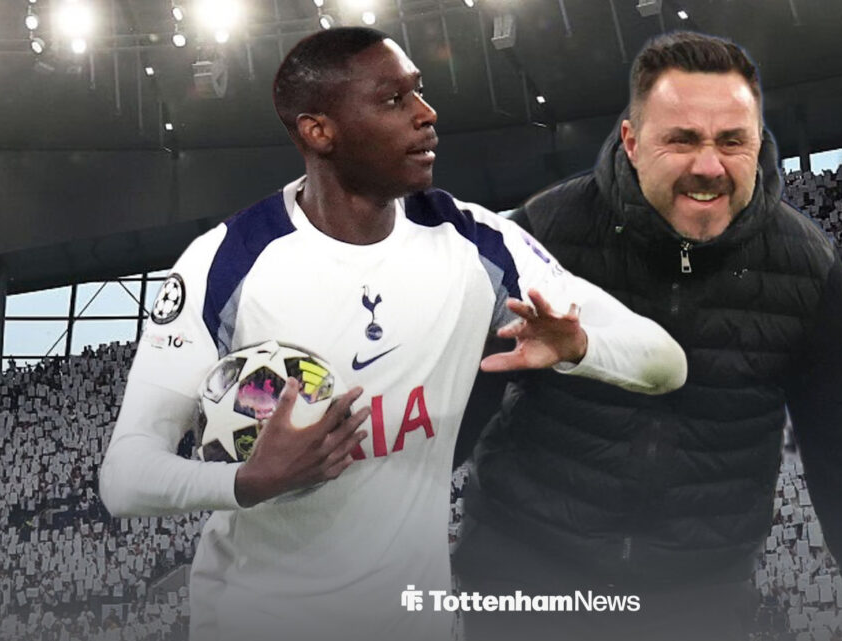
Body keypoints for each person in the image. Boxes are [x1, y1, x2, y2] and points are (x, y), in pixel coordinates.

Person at [98, 27, 687, 641]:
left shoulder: (478, 246)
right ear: (318, 131)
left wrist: (578, 348)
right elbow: (126, 474)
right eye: (393, 101)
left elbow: (665, 360)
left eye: (420, 93)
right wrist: (250, 481)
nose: (427, 116)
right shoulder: (227, 263)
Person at [454, 31, 842, 641]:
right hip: (523, 576)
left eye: (732, 142)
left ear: (758, 142)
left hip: (697, 596)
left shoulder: (808, 267)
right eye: (680, 140)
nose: (708, 167)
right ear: (631, 141)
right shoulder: (543, 234)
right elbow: (458, 412)